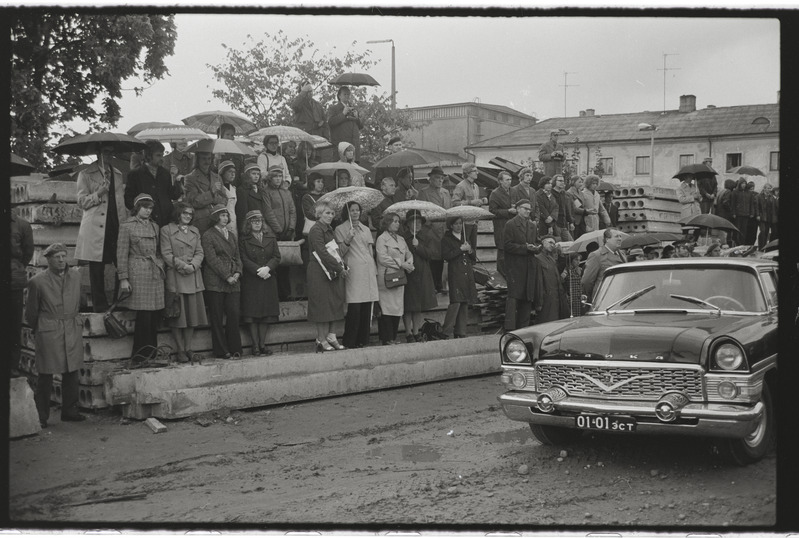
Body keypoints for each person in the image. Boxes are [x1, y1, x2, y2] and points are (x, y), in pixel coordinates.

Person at [25, 243, 86, 427]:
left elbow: (81, 301)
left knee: (72, 370)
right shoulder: (37, 281)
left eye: (63, 256)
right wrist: (41, 328)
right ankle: (41, 416)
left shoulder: (76, 276)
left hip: (71, 326)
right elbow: (31, 313)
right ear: (48, 259)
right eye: (56, 257)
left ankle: (70, 411)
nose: (61, 260)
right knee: (45, 373)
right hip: (49, 329)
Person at [75, 143, 127, 312]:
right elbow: (82, 202)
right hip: (96, 227)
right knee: (96, 268)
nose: (108, 156)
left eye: (111, 153)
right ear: (98, 153)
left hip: (116, 224)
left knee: (121, 263)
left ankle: (118, 302)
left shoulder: (117, 174)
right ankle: (100, 305)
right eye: (105, 152)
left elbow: (120, 201)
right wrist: (99, 193)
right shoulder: (85, 174)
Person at [117, 194, 166, 362]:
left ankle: (152, 353)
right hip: (137, 272)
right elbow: (121, 253)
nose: (147, 211)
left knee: (154, 316)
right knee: (143, 317)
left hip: (154, 273)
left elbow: (158, 250)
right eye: (145, 207)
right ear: (137, 208)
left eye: (150, 208)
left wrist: (160, 265)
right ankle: (139, 356)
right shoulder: (127, 226)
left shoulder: (155, 227)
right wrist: (123, 278)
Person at [159, 201, 207, 363]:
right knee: (178, 316)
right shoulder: (166, 230)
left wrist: (193, 265)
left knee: (192, 315)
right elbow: (166, 254)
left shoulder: (195, 231)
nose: (188, 216)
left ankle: (188, 348)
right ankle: (180, 350)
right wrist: (183, 265)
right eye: (185, 213)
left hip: (193, 275)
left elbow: (200, 251)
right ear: (178, 214)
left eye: (190, 214)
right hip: (176, 276)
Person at [335, 201, 379, 349]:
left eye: (357, 210)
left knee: (367, 306)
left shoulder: (366, 229)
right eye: (352, 210)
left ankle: (363, 339)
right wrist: (348, 238)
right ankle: (350, 341)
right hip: (354, 269)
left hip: (368, 269)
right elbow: (339, 252)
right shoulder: (340, 229)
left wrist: (374, 268)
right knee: (355, 307)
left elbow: (370, 250)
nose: (355, 213)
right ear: (346, 212)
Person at [201, 205, 243, 359]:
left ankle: (235, 348)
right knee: (217, 316)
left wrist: (238, 272)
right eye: (222, 215)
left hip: (234, 279)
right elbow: (212, 259)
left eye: (227, 215)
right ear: (215, 217)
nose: (225, 218)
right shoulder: (208, 235)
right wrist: (227, 276)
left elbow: (238, 256)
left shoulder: (231, 235)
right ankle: (221, 350)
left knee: (233, 314)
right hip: (215, 280)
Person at [306, 201, 348, 352]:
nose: (330, 216)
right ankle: (321, 339)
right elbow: (321, 252)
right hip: (319, 270)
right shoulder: (316, 230)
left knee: (334, 303)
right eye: (327, 213)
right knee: (322, 305)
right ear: (319, 214)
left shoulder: (329, 229)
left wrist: (341, 265)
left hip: (331, 270)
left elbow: (335, 251)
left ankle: (332, 336)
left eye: (332, 213)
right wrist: (338, 267)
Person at [239, 210, 281, 356]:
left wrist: (268, 267)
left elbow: (277, 256)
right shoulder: (243, 239)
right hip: (252, 280)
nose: (257, 223)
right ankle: (255, 346)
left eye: (259, 220)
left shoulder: (271, 237)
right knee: (253, 314)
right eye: (253, 221)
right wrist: (258, 270)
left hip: (268, 278)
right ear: (248, 224)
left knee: (266, 314)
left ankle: (263, 344)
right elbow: (243, 258)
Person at [124, 140, 183, 227]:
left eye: (162, 155)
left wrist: (176, 179)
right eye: (158, 155)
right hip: (145, 223)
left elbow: (174, 195)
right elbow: (129, 200)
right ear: (148, 155)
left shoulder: (165, 173)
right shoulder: (135, 174)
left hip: (166, 221)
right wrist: (140, 213)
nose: (162, 158)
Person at [376, 212, 414, 345]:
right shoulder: (381, 239)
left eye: (398, 221)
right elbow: (382, 258)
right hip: (387, 276)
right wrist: (401, 263)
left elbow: (408, 253)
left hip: (399, 276)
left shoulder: (401, 239)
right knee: (386, 308)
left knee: (397, 307)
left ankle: (393, 336)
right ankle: (386, 338)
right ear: (387, 223)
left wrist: (409, 262)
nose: (397, 223)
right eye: (394, 221)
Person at [401, 210, 438, 342]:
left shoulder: (426, 236)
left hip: (422, 273)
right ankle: (408, 332)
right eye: (414, 222)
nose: (417, 224)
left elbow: (431, 254)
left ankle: (416, 332)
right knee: (408, 305)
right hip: (408, 274)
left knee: (418, 306)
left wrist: (418, 247)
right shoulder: (403, 237)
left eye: (419, 222)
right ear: (409, 223)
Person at [502, 200, 539, 331]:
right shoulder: (510, 224)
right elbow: (506, 245)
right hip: (515, 267)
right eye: (525, 209)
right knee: (514, 299)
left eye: (530, 209)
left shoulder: (532, 226)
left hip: (529, 266)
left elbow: (535, 241)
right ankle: (510, 329)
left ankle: (523, 329)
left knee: (527, 299)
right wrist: (525, 248)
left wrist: (537, 247)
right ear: (517, 209)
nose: (528, 211)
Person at [440, 216, 478, 338]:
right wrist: (460, 249)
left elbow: (473, 258)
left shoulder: (465, 238)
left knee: (465, 301)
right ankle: (446, 331)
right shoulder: (446, 239)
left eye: (460, 223)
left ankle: (461, 332)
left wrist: (470, 250)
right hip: (455, 272)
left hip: (467, 272)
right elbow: (446, 255)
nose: (459, 226)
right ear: (451, 225)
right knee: (456, 301)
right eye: (456, 224)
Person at [417, 167, 451, 292]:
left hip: (444, 230)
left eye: (442, 178)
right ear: (430, 179)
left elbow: (449, 210)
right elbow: (421, 212)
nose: (440, 180)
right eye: (437, 178)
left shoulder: (446, 192)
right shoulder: (424, 192)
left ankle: (440, 285)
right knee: (432, 258)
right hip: (430, 231)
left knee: (442, 258)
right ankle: (431, 286)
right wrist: (429, 223)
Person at [185, 150, 229, 235]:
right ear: (197, 160)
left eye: (209, 158)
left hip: (218, 221)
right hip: (201, 222)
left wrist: (210, 199)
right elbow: (194, 202)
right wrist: (212, 193)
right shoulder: (190, 178)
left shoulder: (217, 177)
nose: (207, 162)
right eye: (204, 159)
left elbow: (224, 200)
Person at [11, 213, 33, 372]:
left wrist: (16, 267)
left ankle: (11, 368)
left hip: (13, 282)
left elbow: (28, 252)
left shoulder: (22, 225)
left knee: (12, 326)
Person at [235, 162, 281, 235]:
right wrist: (245, 230)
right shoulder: (242, 190)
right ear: (247, 175)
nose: (256, 176)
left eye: (258, 174)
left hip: (260, 224)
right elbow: (242, 213)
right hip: (250, 226)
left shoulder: (261, 190)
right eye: (253, 174)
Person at [581, 227, 626, 300]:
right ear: (607, 239)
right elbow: (587, 281)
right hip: (604, 299)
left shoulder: (622, 255)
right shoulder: (597, 255)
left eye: (620, 236)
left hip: (621, 298)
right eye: (616, 236)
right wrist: (593, 297)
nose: (620, 239)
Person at [452, 162, 488, 249]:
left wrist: (481, 201)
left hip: (474, 221)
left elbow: (475, 203)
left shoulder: (476, 186)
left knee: (473, 248)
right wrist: (471, 202)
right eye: (474, 171)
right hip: (464, 223)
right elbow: (454, 203)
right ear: (467, 173)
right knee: (465, 245)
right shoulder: (460, 186)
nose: (477, 173)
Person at [534, 235, 569, 324]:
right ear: (543, 243)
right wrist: (539, 302)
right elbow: (538, 282)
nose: (552, 245)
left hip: (557, 299)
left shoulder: (551, 259)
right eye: (550, 242)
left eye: (554, 243)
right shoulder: (537, 259)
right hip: (546, 299)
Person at [488, 171, 516, 276]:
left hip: (513, 225)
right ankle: (501, 278)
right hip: (501, 226)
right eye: (507, 180)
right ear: (500, 181)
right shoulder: (495, 194)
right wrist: (508, 211)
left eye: (510, 179)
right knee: (502, 253)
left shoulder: (513, 191)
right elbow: (492, 211)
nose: (509, 182)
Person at [328, 86, 364, 161]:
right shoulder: (333, 108)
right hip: (341, 147)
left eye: (348, 94)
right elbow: (330, 122)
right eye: (345, 94)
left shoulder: (353, 109)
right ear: (339, 96)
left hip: (353, 147)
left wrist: (357, 118)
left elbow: (360, 126)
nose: (347, 96)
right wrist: (343, 114)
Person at [218, 160, 239, 234]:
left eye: (234, 172)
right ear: (222, 173)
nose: (233, 174)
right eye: (230, 172)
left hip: (234, 222)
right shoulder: (219, 188)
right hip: (223, 222)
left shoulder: (233, 188)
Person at [552, 174, 574, 241]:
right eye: (560, 181)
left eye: (563, 181)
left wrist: (571, 222)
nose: (562, 182)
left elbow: (566, 209)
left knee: (571, 243)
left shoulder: (563, 193)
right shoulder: (551, 193)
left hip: (563, 223)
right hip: (555, 223)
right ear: (554, 182)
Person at [731, 177, 753, 245]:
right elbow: (733, 203)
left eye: (745, 183)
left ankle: (742, 244)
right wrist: (733, 213)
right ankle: (737, 243)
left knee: (744, 230)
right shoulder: (735, 192)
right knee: (737, 230)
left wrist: (751, 212)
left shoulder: (749, 193)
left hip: (746, 214)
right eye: (742, 183)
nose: (744, 185)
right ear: (739, 184)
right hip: (738, 214)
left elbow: (751, 203)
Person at [715, 178, 737, 246]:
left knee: (721, 231)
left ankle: (721, 243)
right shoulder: (728, 192)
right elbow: (725, 202)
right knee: (727, 231)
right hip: (725, 215)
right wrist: (731, 211)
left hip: (719, 214)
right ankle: (726, 244)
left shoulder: (721, 191)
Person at [745, 181, 759, 245]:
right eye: (750, 189)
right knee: (748, 232)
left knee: (753, 232)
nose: (752, 190)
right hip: (748, 216)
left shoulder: (756, 194)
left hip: (754, 217)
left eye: (753, 188)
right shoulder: (746, 194)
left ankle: (751, 245)